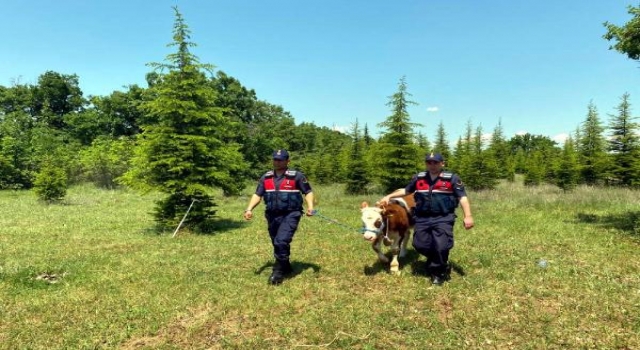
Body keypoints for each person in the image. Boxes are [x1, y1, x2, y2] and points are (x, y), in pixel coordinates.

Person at [378, 152, 474, 285]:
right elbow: (406, 191)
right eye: (429, 162)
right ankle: (438, 260)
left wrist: (468, 216)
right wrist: (389, 196)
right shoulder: (419, 178)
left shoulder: (451, 178)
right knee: (419, 244)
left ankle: (437, 273)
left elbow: (462, 198)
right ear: (426, 164)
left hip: (443, 217)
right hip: (422, 217)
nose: (432, 165)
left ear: (442, 164)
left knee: (441, 246)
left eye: (436, 162)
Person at [243, 149, 315, 285]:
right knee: (276, 241)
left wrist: (310, 206)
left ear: (288, 161)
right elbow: (257, 194)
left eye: (280, 159)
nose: (277, 162)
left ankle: (278, 272)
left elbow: (308, 192)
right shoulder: (266, 177)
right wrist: (249, 209)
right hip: (272, 215)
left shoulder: (297, 176)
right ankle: (286, 265)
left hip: (291, 213)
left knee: (281, 241)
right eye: (275, 159)